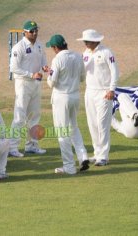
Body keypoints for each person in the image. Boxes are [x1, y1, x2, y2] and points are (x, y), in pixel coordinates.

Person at [46, 35, 90, 175]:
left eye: (52, 47)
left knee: (62, 132)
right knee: (73, 127)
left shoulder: (57, 59)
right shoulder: (78, 56)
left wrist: (48, 75)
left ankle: (69, 167)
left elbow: (51, 82)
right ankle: (83, 156)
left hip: (61, 98)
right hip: (75, 96)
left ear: (55, 47)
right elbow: (83, 78)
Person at [77, 29, 119, 166]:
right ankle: (97, 153)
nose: (85, 43)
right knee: (92, 123)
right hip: (90, 92)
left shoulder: (107, 52)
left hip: (104, 92)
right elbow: (82, 72)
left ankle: (104, 156)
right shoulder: (85, 54)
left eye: (87, 41)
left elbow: (115, 71)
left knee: (102, 124)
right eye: (84, 41)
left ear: (95, 41)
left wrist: (112, 89)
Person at [9, 20, 48, 157]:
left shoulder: (38, 45)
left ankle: (31, 145)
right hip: (23, 84)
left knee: (34, 116)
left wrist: (44, 67)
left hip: (36, 84)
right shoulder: (18, 47)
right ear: (25, 32)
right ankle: (12, 147)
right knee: (19, 117)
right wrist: (31, 74)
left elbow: (43, 59)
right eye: (32, 31)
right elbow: (13, 68)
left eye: (36, 30)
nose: (35, 33)